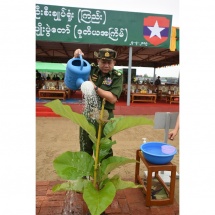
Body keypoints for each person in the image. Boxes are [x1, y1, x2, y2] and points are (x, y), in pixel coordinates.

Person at [73, 48, 123, 159]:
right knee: (85, 144)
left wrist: (94, 87)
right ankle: (85, 174)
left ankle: (103, 175)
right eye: (103, 62)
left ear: (114, 63)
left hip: (105, 114)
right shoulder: (91, 69)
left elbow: (112, 98)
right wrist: (76, 57)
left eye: (109, 62)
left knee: (104, 147)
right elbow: (75, 71)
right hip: (89, 112)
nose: (106, 65)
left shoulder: (117, 76)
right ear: (98, 61)